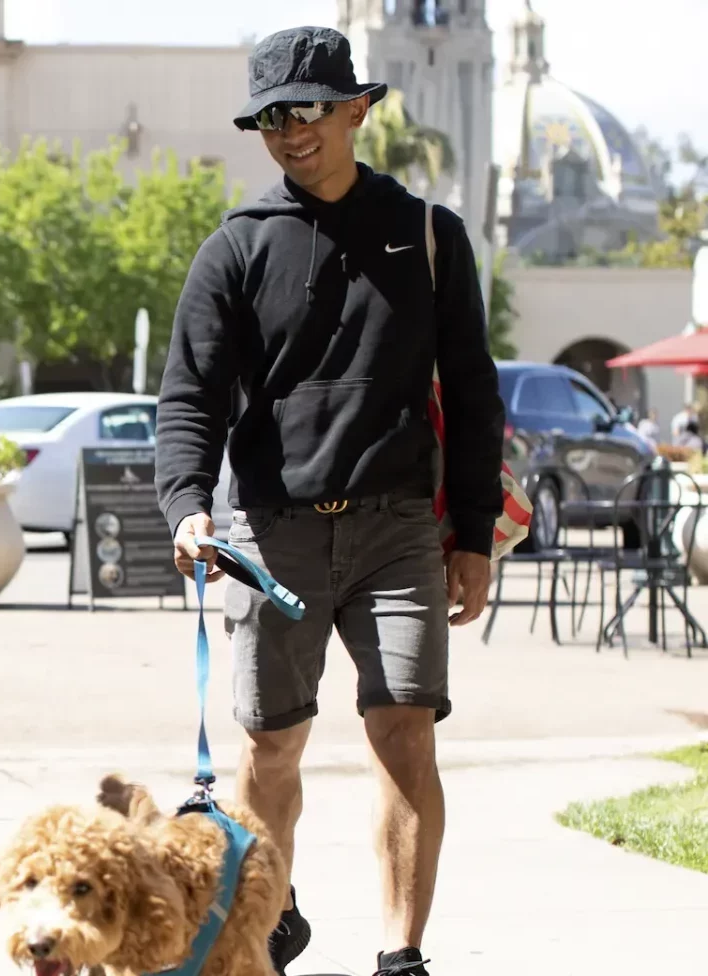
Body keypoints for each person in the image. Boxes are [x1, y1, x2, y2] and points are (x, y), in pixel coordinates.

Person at [154, 27, 503, 976]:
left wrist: (471, 532)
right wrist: (188, 501)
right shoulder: (236, 247)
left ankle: (401, 956)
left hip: (396, 529)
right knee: (271, 748)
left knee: (403, 737)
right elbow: (189, 396)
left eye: (306, 109)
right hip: (268, 534)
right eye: (271, 116)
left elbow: (473, 392)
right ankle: (266, 932)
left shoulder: (431, 236)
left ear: (356, 108)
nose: (289, 131)